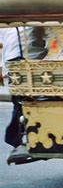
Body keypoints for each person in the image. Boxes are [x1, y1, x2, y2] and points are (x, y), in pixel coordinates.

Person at [0, 27, 25, 155]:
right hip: (13, 62)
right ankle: (15, 139)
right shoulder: (6, 26)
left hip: (32, 59)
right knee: (19, 102)